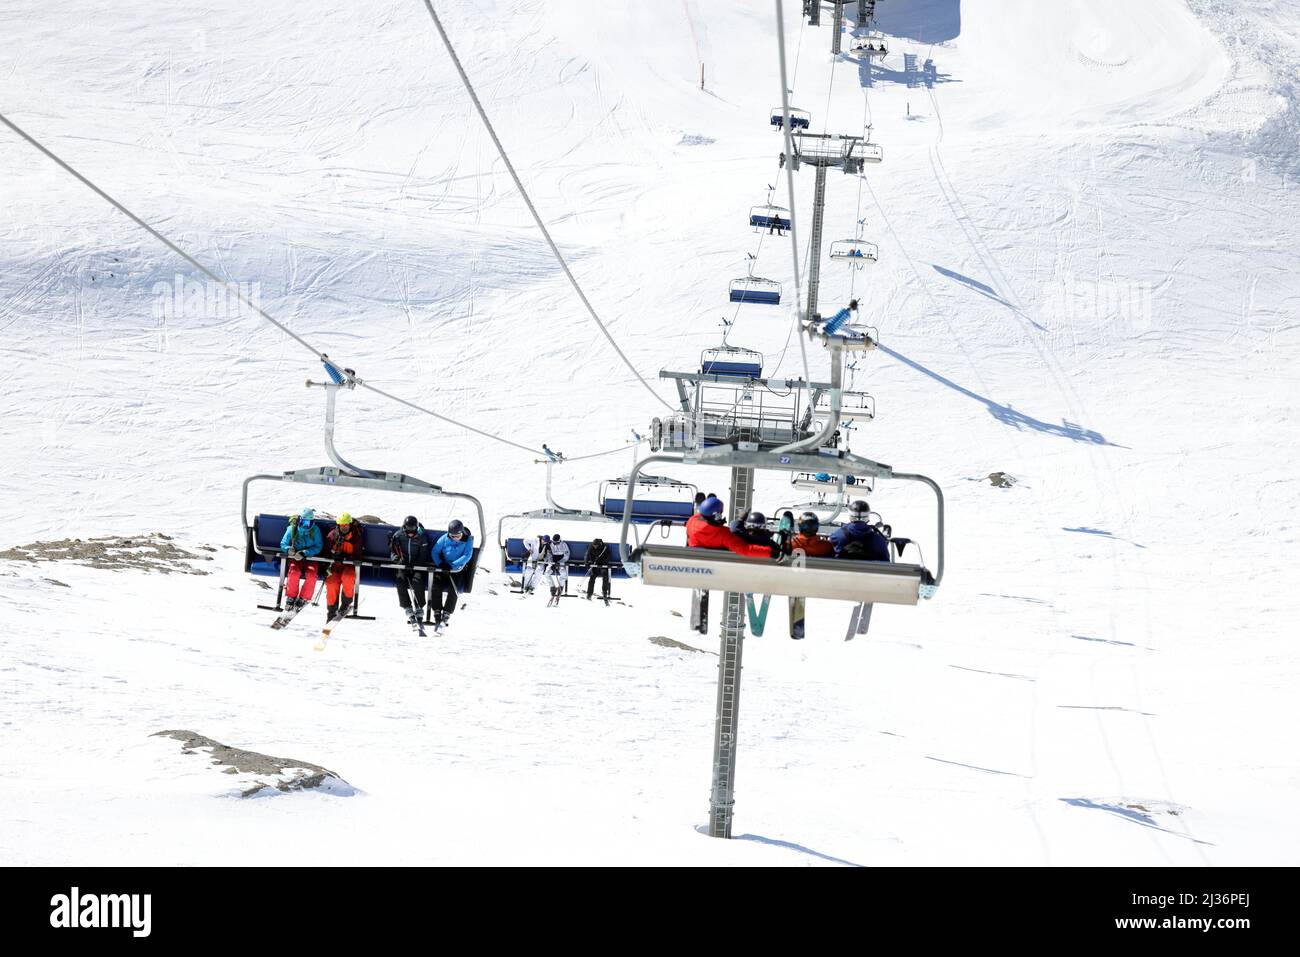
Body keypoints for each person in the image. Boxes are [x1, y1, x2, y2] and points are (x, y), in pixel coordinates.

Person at [687, 496, 781, 558]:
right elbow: (745, 549)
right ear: (716, 515)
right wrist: (771, 552)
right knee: (742, 534)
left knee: (737, 529)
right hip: (726, 554)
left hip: (699, 553)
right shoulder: (723, 534)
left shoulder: (691, 522)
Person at [428, 519, 474, 628]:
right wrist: (440, 563)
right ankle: (437, 610)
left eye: (457, 536)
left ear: (461, 533)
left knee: (454, 589)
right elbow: (435, 551)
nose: (455, 538)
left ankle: (447, 612)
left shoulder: (468, 540)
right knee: (436, 586)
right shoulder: (444, 538)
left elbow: (467, 555)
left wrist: (453, 565)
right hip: (444, 567)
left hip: (457, 569)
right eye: (452, 536)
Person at [390, 515, 432, 624]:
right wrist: (397, 560)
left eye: (413, 531)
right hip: (402, 565)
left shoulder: (422, 537)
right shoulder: (398, 535)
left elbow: (423, 554)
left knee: (417, 581)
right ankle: (406, 606)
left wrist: (415, 565)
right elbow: (393, 551)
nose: (410, 534)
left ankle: (419, 606)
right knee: (400, 580)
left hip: (417, 565)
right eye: (408, 531)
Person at [279, 507, 323, 610]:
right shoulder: (292, 529)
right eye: (304, 522)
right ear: (300, 520)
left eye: (308, 522)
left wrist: (306, 553)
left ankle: (304, 598)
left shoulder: (315, 530)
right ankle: (291, 597)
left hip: (310, 558)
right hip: (296, 558)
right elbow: (283, 543)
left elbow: (318, 546)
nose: (306, 525)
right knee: (294, 572)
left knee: (311, 575)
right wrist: (289, 550)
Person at [324, 512, 363, 620]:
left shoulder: (356, 536)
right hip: (335, 566)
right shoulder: (333, 535)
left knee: (348, 577)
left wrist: (345, 557)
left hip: (349, 566)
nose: (344, 527)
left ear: (350, 524)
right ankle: (331, 611)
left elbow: (358, 555)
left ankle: (345, 604)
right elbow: (326, 552)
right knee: (331, 582)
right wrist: (333, 555)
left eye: (346, 524)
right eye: (342, 525)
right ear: (338, 525)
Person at [544, 533, 570, 606]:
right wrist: (552, 563)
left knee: (564, 573)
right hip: (553, 561)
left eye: (556, 542)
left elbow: (566, 556)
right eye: (554, 542)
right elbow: (549, 555)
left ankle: (560, 587)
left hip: (561, 561)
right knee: (547, 573)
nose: (555, 543)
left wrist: (559, 563)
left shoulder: (564, 545)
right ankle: (552, 587)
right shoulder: (550, 544)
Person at [584, 537, 613, 602]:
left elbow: (608, 556)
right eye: (593, 545)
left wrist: (603, 562)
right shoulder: (591, 547)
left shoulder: (604, 547)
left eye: (595, 546)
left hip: (603, 565)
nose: (594, 547)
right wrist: (587, 563)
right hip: (594, 565)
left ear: (599, 544)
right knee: (592, 577)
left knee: (605, 576)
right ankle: (589, 593)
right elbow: (587, 555)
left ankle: (604, 592)